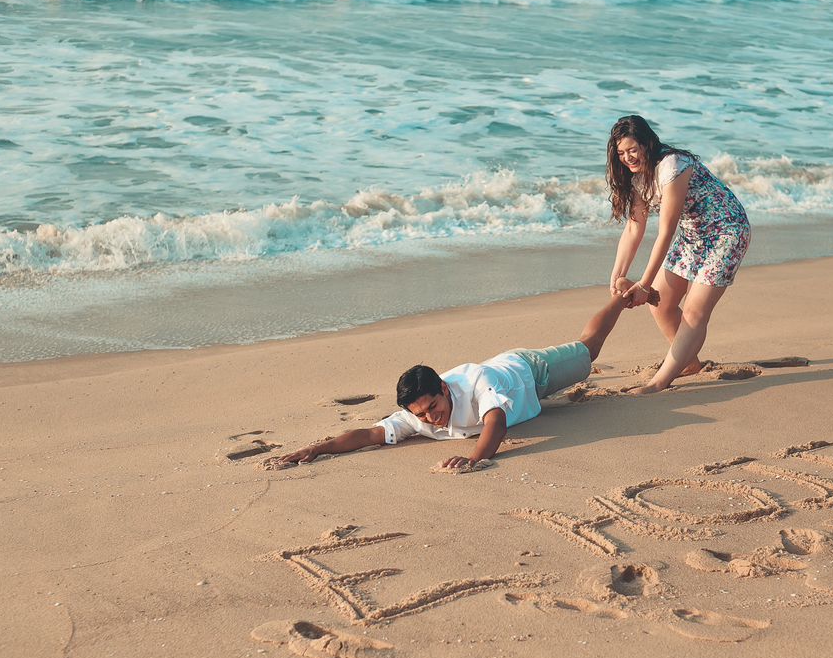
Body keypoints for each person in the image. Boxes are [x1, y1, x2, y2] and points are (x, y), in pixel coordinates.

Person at [277, 289, 655, 470]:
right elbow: (371, 435)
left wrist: (473, 458)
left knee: (589, 349)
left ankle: (622, 298)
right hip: (524, 393)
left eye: (433, 407)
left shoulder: (477, 380)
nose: (431, 418)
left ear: (443, 387)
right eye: (421, 415)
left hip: (529, 372)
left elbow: (497, 422)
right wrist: (319, 447)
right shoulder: (416, 413)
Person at [605, 114, 750, 394]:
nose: (627, 157)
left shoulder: (672, 165)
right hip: (693, 235)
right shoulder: (637, 179)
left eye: (633, 149)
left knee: (694, 311)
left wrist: (644, 284)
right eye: (621, 152)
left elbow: (665, 231)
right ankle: (688, 362)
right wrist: (617, 275)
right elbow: (634, 230)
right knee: (662, 303)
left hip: (727, 232)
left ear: (648, 143)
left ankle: (659, 382)